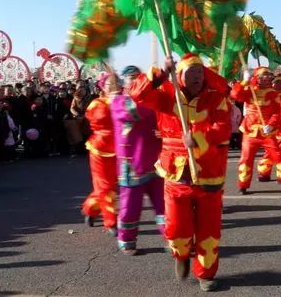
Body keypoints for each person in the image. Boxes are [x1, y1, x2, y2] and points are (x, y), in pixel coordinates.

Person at [147, 54, 232, 292]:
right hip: (176, 173)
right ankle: (181, 254)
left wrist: (198, 138)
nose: (196, 76)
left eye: (200, 72)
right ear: (180, 75)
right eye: (190, 72)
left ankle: (206, 273)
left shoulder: (216, 98)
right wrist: (162, 72)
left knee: (209, 230)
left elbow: (223, 128)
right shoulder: (166, 96)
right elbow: (138, 95)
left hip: (210, 173)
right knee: (177, 228)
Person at [111, 66, 164, 255]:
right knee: (130, 208)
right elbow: (134, 113)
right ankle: (127, 239)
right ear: (124, 82)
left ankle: (175, 239)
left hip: (157, 163)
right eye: (130, 78)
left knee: (165, 206)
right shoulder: (118, 101)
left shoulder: (152, 99)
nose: (134, 81)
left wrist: (164, 132)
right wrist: (149, 90)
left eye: (138, 78)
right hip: (132, 164)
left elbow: (165, 119)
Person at [231, 67, 281, 194]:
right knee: (246, 159)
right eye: (264, 75)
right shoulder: (250, 90)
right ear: (257, 77)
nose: (267, 77)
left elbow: (277, 112)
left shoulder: (273, 93)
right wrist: (244, 81)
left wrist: (271, 124)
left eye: (268, 75)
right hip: (250, 131)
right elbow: (235, 95)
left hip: (267, 132)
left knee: (278, 155)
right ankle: (243, 184)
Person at [82, 73, 118, 236]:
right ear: (102, 86)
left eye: (116, 83)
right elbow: (98, 118)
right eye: (110, 84)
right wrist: (114, 103)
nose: (113, 86)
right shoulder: (96, 103)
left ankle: (90, 208)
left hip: (121, 149)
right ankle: (111, 221)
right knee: (105, 187)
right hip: (100, 150)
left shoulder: (123, 100)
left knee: (110, 187)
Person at [257, 75, 281, 183]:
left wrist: (272, 124)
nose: (277, 84)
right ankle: (264, 173)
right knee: (268, 152)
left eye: (280, 83)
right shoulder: (269, 95)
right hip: (269, 129)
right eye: (275, 82)